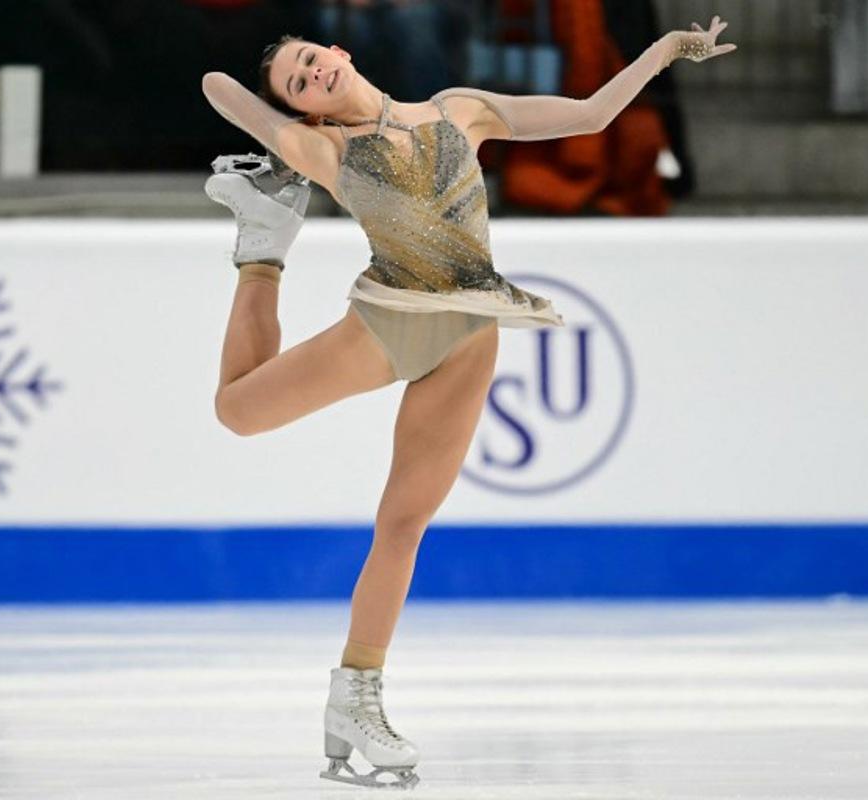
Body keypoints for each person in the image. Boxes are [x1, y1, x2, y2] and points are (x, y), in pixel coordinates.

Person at [199, 15, 735, 788]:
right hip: (390, 319)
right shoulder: (324, 149)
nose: (312, 74)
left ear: (340, 51)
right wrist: (283, 132)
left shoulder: (460, 109)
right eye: (298, 82)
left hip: (470, 334)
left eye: (311, 59)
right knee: (238, 412)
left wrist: (666, 50)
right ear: (304, 108)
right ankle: (262, 247)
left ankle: (356, 696)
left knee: (403, 523)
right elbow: (217, 86)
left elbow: (590, 116)